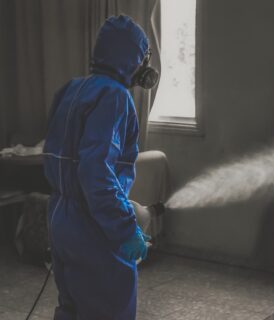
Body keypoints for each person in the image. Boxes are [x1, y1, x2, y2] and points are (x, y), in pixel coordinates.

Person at [43, 15, 155, 320]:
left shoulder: (72, 89)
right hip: (92, 225)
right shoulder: (115, 97)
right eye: (144, 56)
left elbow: (56, 155)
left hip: (60, 218)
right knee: (107, 310)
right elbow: (97, 174)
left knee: (71, 308)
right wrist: (124, 228)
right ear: (131, 57)